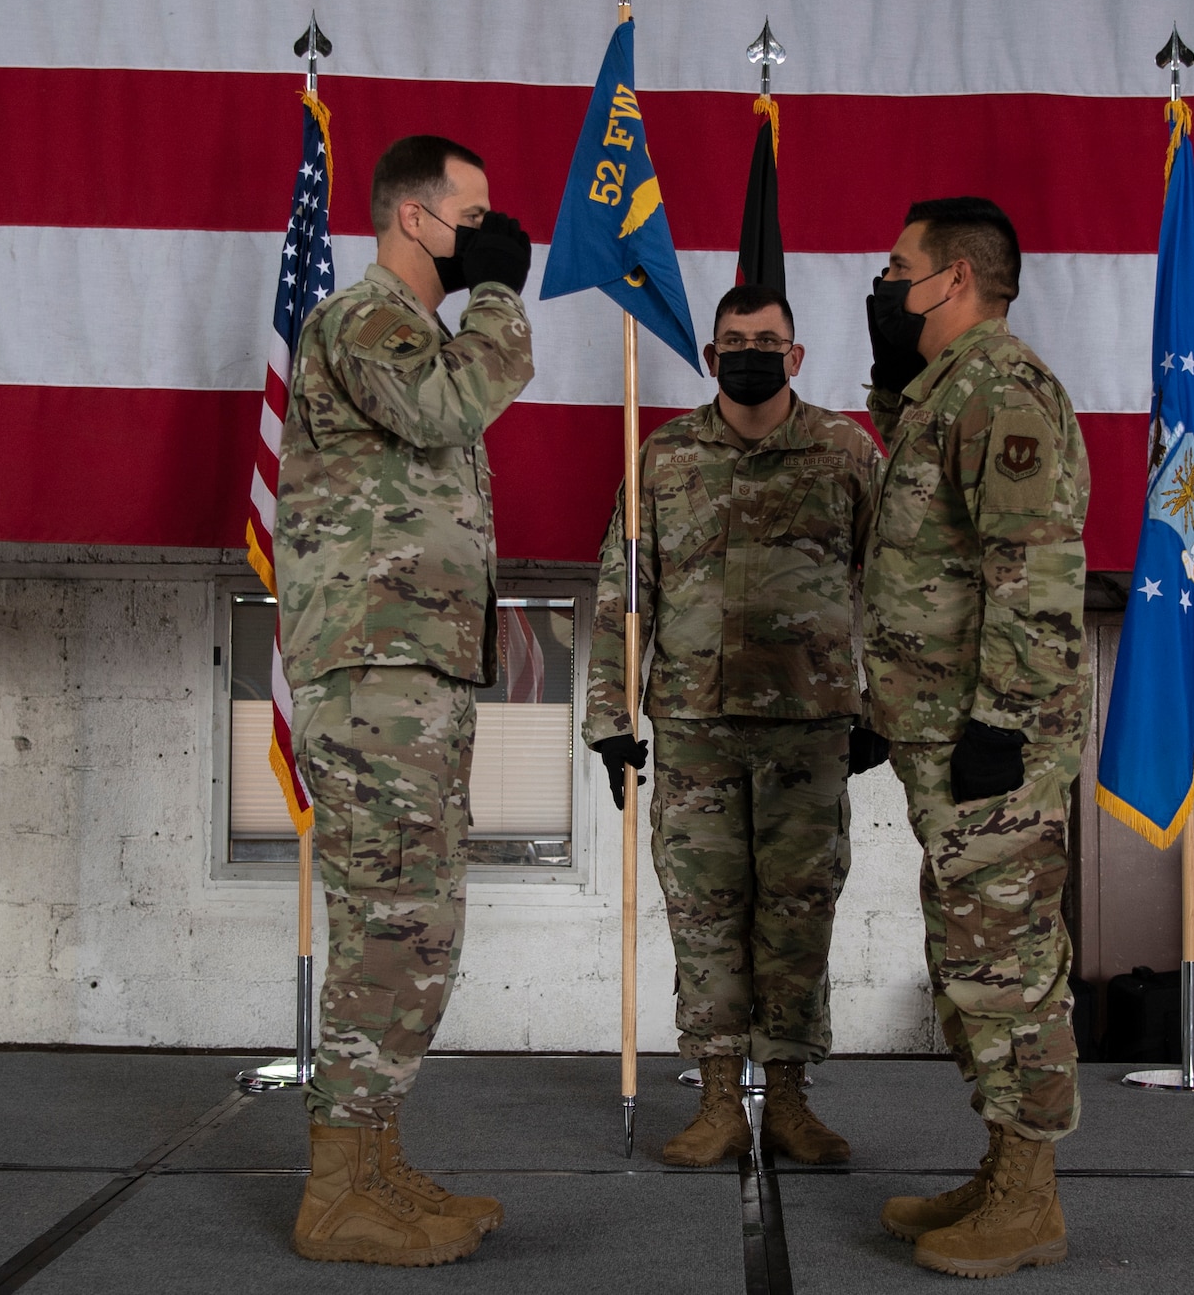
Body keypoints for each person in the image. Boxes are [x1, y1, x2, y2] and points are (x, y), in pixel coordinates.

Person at [274, 134, 534, 1268]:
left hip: (408, 668)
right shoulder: (365, 321)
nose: (488, 230)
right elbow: (444, 410)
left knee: (410, 920)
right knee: (393, 919)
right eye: (473, 215)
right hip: (374, 670)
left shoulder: (408, 331)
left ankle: (370, 1159)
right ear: (416, 219)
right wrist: (499, 298)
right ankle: (336, 1188)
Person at [585, 284, 887, 1169]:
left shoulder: (844, 453)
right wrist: (610, 718)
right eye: (733, 341)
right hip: (695, 727)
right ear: (710, 358)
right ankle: (718, 1098)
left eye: (769, 340)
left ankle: (788, 1098)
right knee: (706, 917)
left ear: (796, 358)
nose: (750, 352)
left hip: (812, 728)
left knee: (798, 917)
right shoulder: (665, 458)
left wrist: (885, 709)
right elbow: (622, 593)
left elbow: (891, 583)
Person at [858, 198, 1091, 1278]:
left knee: (1007, 964)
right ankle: (1000, 1165)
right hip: (943, 733)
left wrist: (1000, 718)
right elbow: (928, 561)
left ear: (952, 277)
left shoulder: (1002, 388)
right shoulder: (944, 392)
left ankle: (1029, 1194)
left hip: (990, 735)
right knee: (967, 956)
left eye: (898, 266)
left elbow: (1030, 569)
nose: (885, 280)